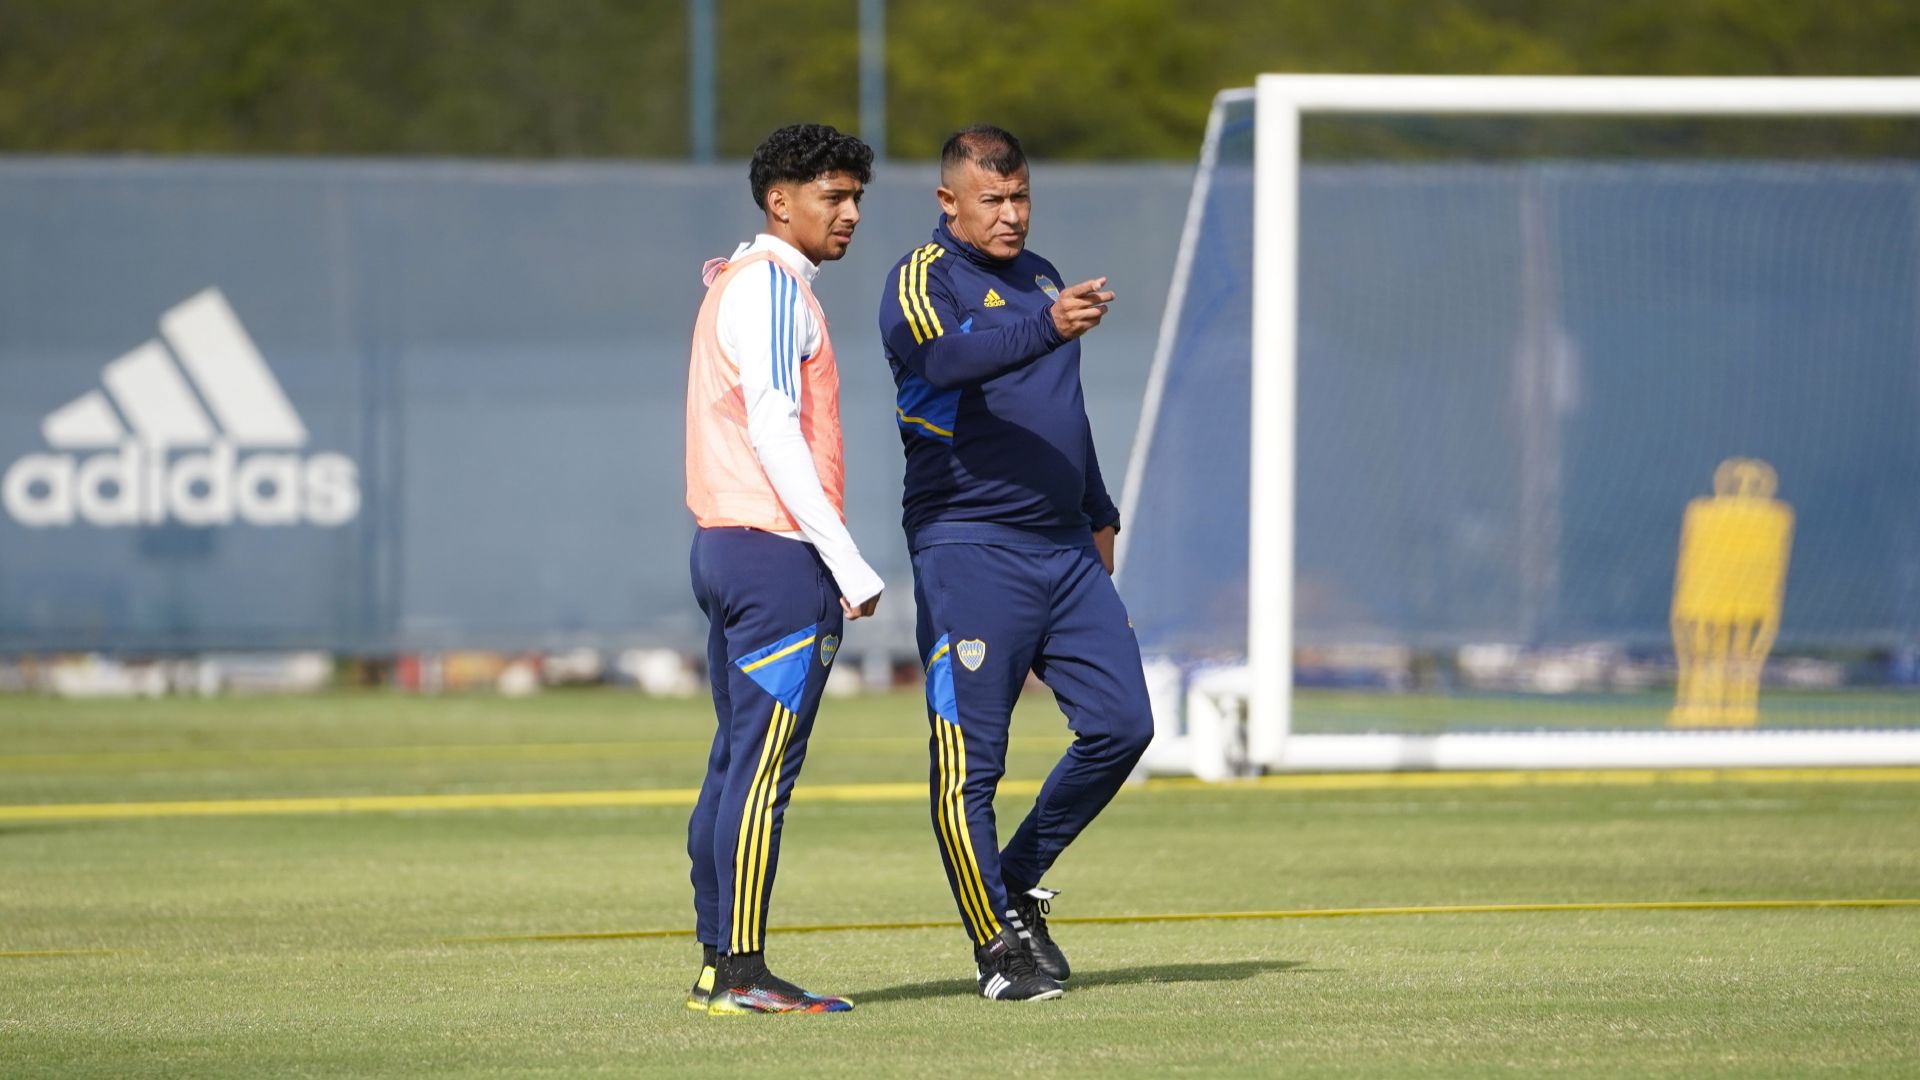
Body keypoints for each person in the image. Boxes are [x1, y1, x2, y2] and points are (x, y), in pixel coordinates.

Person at [876, 124, 1154, 1002]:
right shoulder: (923, 277)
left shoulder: (1040, 277)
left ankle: (1016, 883)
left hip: (1064, 548)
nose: (1010, 214)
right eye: (991, 199)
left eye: (1020, 196)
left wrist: (1100, 512)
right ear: (948, 201)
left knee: (1123, 725)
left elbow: (1064, 412)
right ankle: (996, 950)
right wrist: (1046, 323)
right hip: (969, 544)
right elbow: (943, 358)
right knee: (971, 765)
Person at [683, 123, 883, 1015]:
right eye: (832, 196)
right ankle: (742, 975)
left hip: (731, 546)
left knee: (735, 763)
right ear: (779, 201)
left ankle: (717, 965)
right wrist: (846, 559)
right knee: (763, 773)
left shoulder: (743, 279)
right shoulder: (768, 286)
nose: (850, 213)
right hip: (773, 556)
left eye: (856, 197)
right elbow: (771, 423)